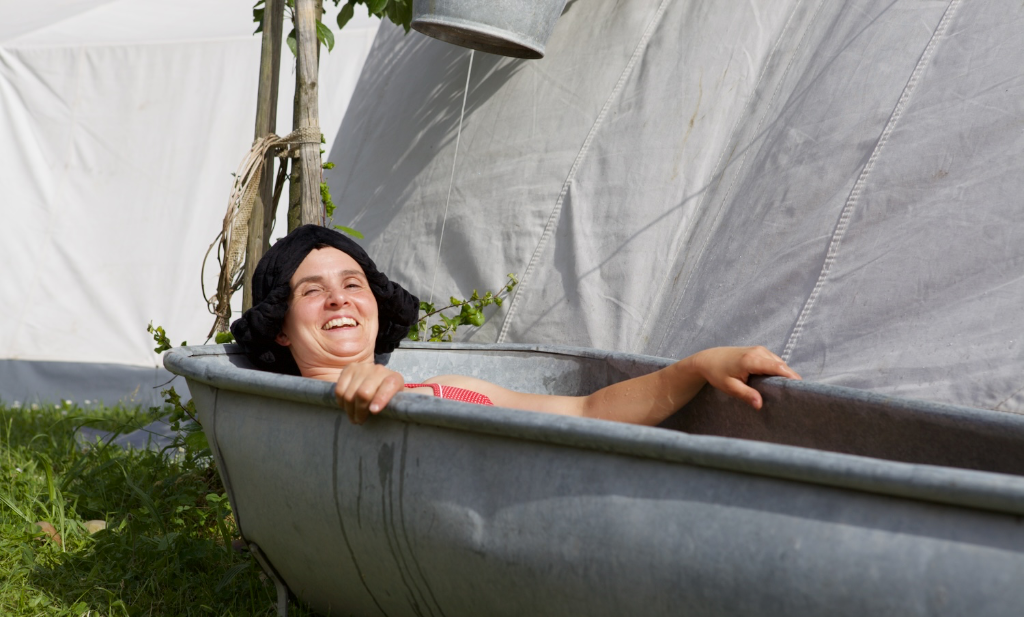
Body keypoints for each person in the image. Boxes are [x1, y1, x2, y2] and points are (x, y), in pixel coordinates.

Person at [232, 225, 801, 426]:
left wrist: (696, 366)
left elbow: (588, 412)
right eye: (313, 291)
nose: (339, 299)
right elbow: (352, 396)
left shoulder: (455, 390)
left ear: (376, 304)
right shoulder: (297, 404)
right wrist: (368, 388)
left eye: (353, 284)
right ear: (280, 327)